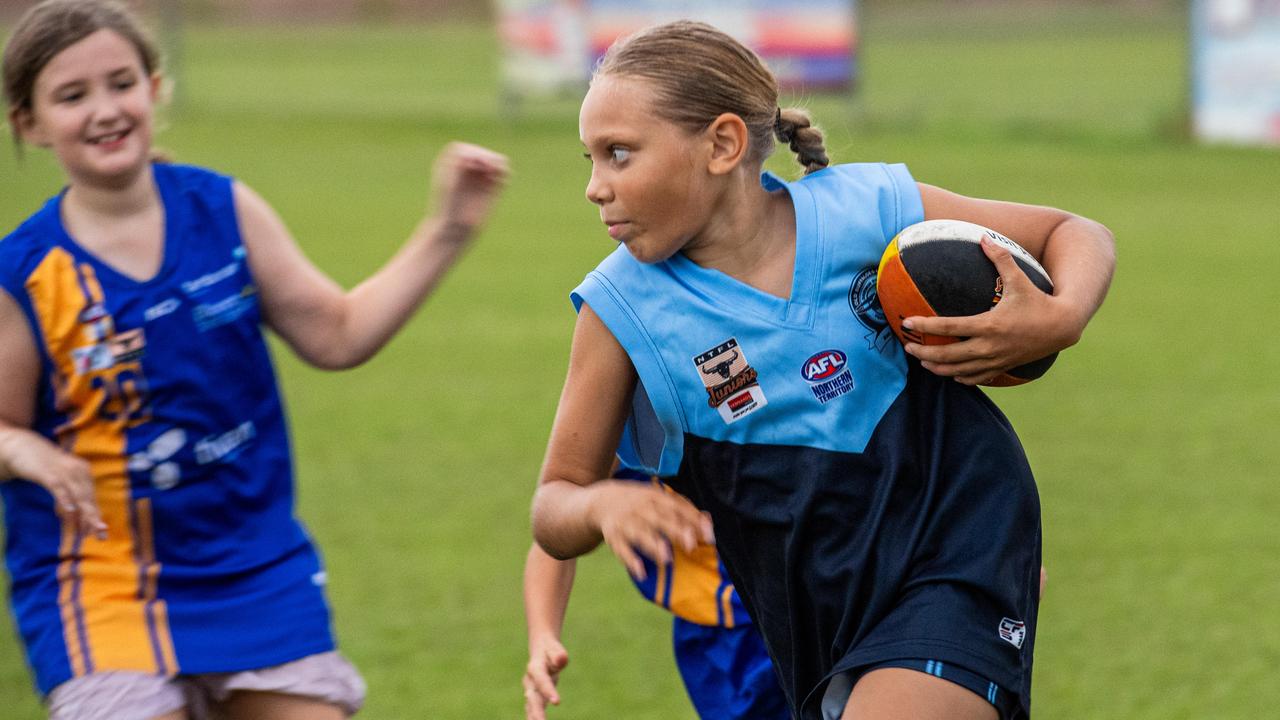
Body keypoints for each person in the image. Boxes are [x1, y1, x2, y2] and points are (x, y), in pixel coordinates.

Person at [530, 19, 1114, 720]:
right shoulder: (622, 311)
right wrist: (599, 503)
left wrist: (1062, 316)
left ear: (722, 144)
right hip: (815, 623)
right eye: (589, 158)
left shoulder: (864, 211)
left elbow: (1072, 233)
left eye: (619, 154)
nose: (595, 186)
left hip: (960, 544)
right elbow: (553, 502)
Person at [0, 2, 507, 718]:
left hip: (253, 566)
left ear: (155, 87)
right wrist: (28, 453)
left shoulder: (224, 211)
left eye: (121, 83)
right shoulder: (25, 271)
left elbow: (337, 334)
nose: (105, 110)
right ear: (29, 124)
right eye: (72, 96)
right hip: (102, 581)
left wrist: (448, 228)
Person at [522, 465, 789, 720]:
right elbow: (557, 527)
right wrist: (543, 636)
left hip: (804, 606)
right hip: (721, 642)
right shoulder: (614, 423)